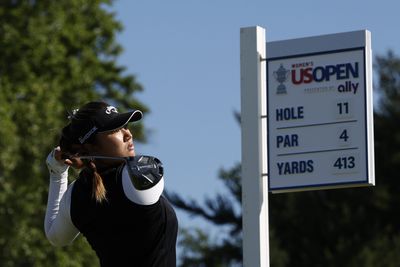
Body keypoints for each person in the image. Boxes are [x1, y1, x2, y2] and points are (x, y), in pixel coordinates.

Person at [44, 101, 178, 267]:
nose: (128, 134)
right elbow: (150, 168)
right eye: (115, 129)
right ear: (90, 147)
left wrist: (57, 171)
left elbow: (55, 236)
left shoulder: (75, 195)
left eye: (125, 126)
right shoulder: (137, 178)